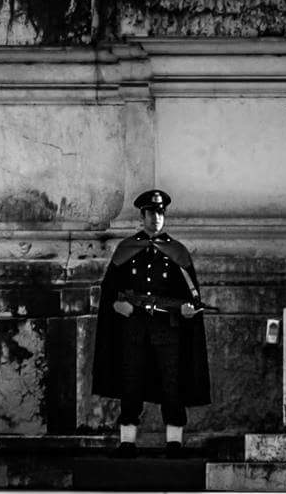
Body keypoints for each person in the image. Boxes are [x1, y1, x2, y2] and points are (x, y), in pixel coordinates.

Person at [93, 189, 212, 455]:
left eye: (160, 213)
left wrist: (187, 310)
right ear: (143, 215)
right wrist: (116, 305)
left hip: (167, 330)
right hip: (133, 328)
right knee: (130, 381)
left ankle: (173, 441)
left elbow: (190, 295)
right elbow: (110, 290)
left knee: (172, 383)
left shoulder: (177, 251)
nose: (156, 218)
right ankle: (127, 440)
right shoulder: (126, 249)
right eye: (151, 213)